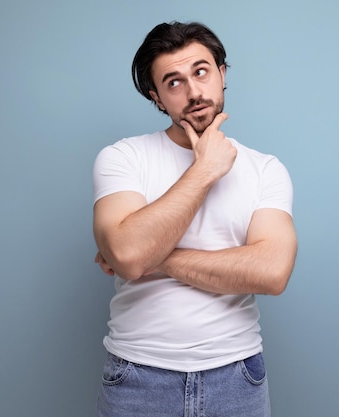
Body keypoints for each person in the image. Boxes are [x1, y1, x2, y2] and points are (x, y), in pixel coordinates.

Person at [92, 21, 297, 417]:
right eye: (173, 82)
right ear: (156, 98)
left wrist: (159, 258)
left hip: (237, 376)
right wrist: (204, 170)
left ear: (222, 74)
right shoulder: (123, 158)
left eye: (201, 72)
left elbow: (272, 272)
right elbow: (129, 256)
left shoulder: (265, 169)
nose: (193, 92)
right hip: (137, 376)